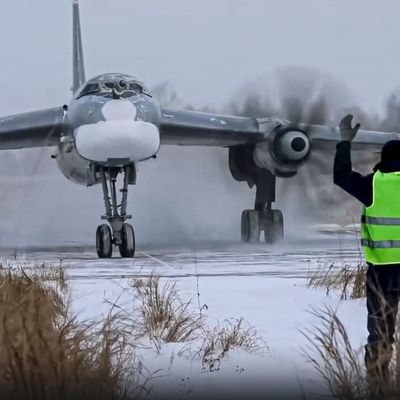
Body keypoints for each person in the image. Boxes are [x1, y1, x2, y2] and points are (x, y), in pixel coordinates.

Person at [334, 114, 400, 382]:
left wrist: (344, 144)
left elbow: (341, 176)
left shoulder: (373, 184)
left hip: (382, 273)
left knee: (381, 333)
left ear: (383, 160)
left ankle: (378, 385)